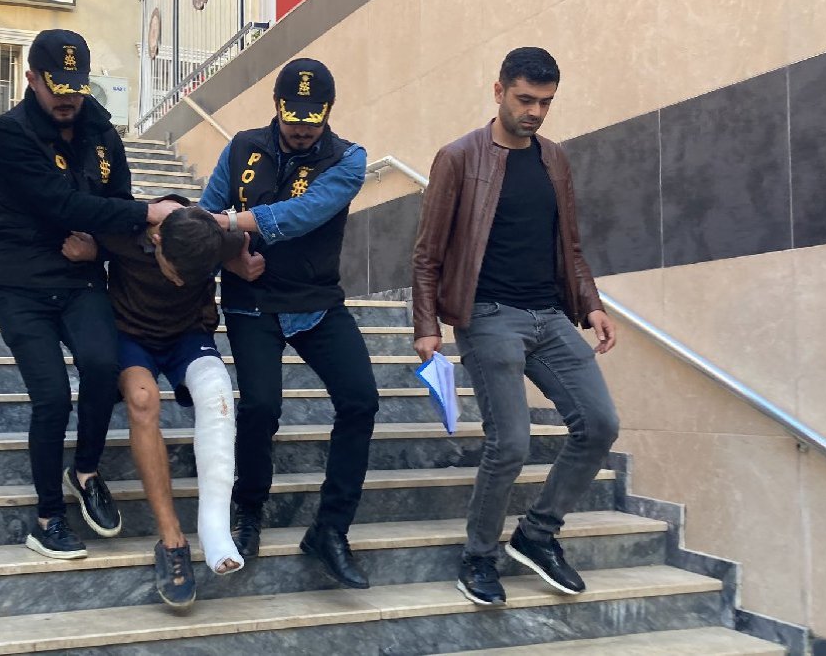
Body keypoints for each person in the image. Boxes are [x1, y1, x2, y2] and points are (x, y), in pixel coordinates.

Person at [411, 47, 621, 606]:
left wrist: (591, 304)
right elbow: (428, 254)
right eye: (526, 99)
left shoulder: (554, 159)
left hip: (549, 315)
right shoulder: (458, 158)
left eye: (545, 103)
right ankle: (478, 556)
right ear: (499, 90)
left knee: (599, 424)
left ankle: (537, 534)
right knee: (510, 444)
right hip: (488, 315)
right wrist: (426, 325)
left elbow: (570, 245)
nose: (535, 112)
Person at [0, 29, 179, 560]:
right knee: (51, 396)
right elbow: (59, 204)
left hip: (80, 276)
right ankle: (48, 518)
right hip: (19, 281)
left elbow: (115, 203)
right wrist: (147, 212)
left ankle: (85, 471)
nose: (67, 97)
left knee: (102, 365)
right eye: (56, 86)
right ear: (31, 79)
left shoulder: (103, 133)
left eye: (75, 86)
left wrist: (101, 248)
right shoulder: (9, 133)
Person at [200, 58, 378, 590]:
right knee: (260, 407)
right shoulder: (240, 148)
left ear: (329, 111)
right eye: (292, 117)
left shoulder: (348, 159)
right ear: (276, 106)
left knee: (361, 400)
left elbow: (303, 213)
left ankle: (330, 529)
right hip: (251, 302)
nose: (301, 129)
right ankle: (249, 510)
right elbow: (203, 218)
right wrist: (230, 258)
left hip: (316, 301)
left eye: (312, 119)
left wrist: (230, 224)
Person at [62, 202, 249, 609]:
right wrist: (89, 251)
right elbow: (75, 218)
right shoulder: (123, 232)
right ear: (158, 238)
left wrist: (243, 262)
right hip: (132, 336)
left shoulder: (215, 238)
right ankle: (172, 540)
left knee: (218, 393)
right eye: (175, 272)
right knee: (143, 399)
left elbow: (243, 238)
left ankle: (215, 531)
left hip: (188, 336)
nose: (181, 283)